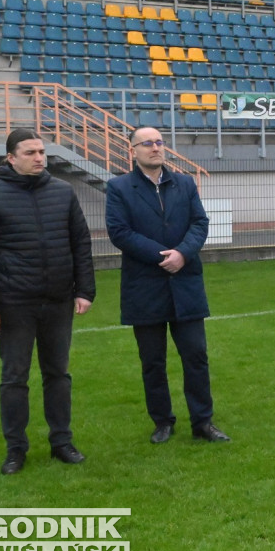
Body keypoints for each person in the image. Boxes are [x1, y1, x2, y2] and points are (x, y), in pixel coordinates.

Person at [0, 129, 95, 475]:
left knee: (58, 374)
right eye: (30, 152)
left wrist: (85, 290)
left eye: (42, 151)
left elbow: (81, 244)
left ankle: (61, 442)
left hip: (58, 302)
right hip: (13, 305)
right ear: (11, 157)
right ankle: (16, 449)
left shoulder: (63, 192)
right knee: (14, 378)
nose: (39, 158)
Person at [105, 127, 230, 444]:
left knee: (196, 357)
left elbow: (200, 223)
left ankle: (203, 422)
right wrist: (163, 256)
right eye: (147, 143)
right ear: (133, 150)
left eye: (159, 142)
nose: (155, 148)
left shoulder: (185, 183)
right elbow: (120, 232)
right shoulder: (119, 187)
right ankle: (162, 422)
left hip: (185, 284)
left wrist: (183, 254)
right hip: (144, 287)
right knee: (152, 361)